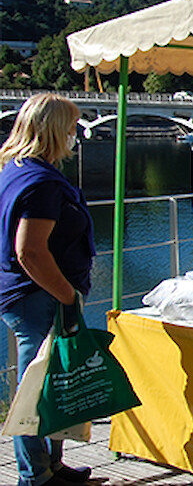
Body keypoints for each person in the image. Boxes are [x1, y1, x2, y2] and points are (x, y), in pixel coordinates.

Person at [0, 94, 95, 486]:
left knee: (52, 381)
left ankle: (51, 465)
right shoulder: (39, 182)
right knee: (36, 388)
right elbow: (30, 252)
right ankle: (35, 475)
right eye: (71, 128)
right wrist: (67, 296)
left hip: (32, 294)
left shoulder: (16, 170)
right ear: (55, 130)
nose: (75, 135)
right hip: (40, 296)